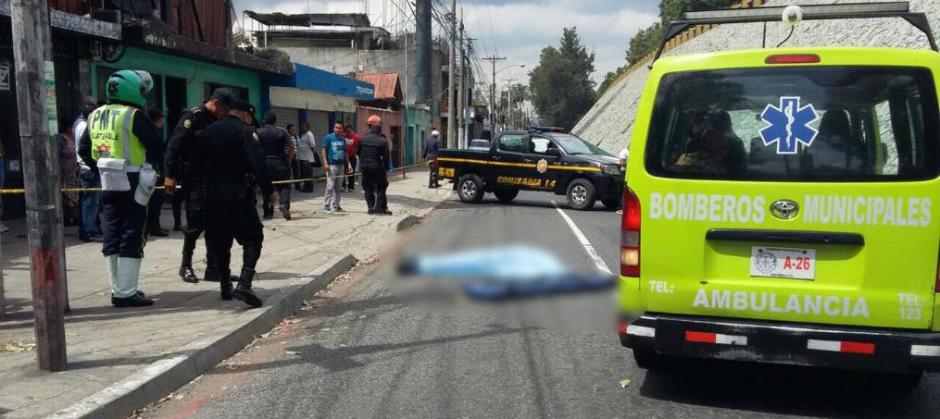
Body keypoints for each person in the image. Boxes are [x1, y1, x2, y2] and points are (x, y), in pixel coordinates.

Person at [78, 69, 164, 307]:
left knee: (112, 231)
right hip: (134, 179)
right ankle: (126, 292)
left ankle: (118, 288)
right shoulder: (133, 115)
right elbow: (156, 145)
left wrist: (100, 170)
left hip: (107, 179)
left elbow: (84, 149)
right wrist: (154, 168)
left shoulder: (95, 114)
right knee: (132, 232)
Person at [194, 100, 273, 307]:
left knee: (221, 241)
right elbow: (258, 163)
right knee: (253, 237)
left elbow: (195, 163)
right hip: (238, 194)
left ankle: (225, 285)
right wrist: (268, 192)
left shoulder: (208, 131)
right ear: (245, 114)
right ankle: (245, 283)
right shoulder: (244, 131)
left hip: (211, 195)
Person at [164, 89, 234, 283]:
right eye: (225, 109)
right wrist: (170, 175)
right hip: (194, 180)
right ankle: (185, 266)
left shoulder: (218, 121)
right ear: (217, 103)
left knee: (216, 225)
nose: (226, 114)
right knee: (194, 226)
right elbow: (174, 146)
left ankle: (213, 269)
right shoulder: (193, 118)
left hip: (215, 180)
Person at [74, 97, 103, 241]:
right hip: (88, 168)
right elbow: (85, 149)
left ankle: (91, 228)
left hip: (85, 168)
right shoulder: (84, 126)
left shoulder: (79, 124)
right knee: (90, 203)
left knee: (89, 202)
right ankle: (89, 232)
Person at [257, 112, 295, 220]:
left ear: (264, 121)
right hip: (281, 163)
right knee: (285, 185)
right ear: (275, 121)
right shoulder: (282, 132)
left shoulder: (258, 132)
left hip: (265, 164)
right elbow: (291, 148)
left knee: (266, 187)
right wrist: (289, 160)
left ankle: (268, 212)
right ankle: (284, 204)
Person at [358, 115, 392, 215]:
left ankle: (370, 208)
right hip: (378, 167)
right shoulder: (382, 140)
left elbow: (359, 152)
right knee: (381, 188)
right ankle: (379, 208)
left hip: (365, 168)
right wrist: (386, 169)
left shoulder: (362, 139)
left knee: (368, 188)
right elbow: (386, 157)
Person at [146, 109, 169, 237]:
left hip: (153, 169)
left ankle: (153, 225)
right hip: (154, 170)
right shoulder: (153, 132)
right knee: (156, 201)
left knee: (154, 201)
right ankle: (154, 226)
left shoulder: (152, 131)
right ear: (159, 119)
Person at [320, 121, 350, 214]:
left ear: (342, 129)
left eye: (339, 128)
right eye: (336, 127)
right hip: (331, 166)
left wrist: (349, 164)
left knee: (338, 187)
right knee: (330, 186)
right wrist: (325, 162)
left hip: (341, 165)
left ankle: (336, 205)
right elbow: (324, 150)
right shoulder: (328, 137)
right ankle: (326, 206)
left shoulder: (343, 140)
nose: (337, 129)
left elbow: (345, 153)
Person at [295, 122, 318, 193]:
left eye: (304, 126)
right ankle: (305, 187)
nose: (302, 128)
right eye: (301, 126)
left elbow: (313, 145)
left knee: (308, 173)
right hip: (302, 157)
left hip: (307, 158)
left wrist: (310, 152)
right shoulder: (303, 134)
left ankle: (309, 188)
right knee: (304, 174)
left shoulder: (309, 134)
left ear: (307, 127)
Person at [344, 126, 360, 191]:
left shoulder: (356, 138)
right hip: (344, 157)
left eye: (349, 131)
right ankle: (343, 186)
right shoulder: (343, 137)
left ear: (352, 131)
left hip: (352, 157)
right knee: (344, 171)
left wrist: (357, 153)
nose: (348, 132)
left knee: (351, 171)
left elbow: (360, 146)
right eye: (347, 131)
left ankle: (351, 186)